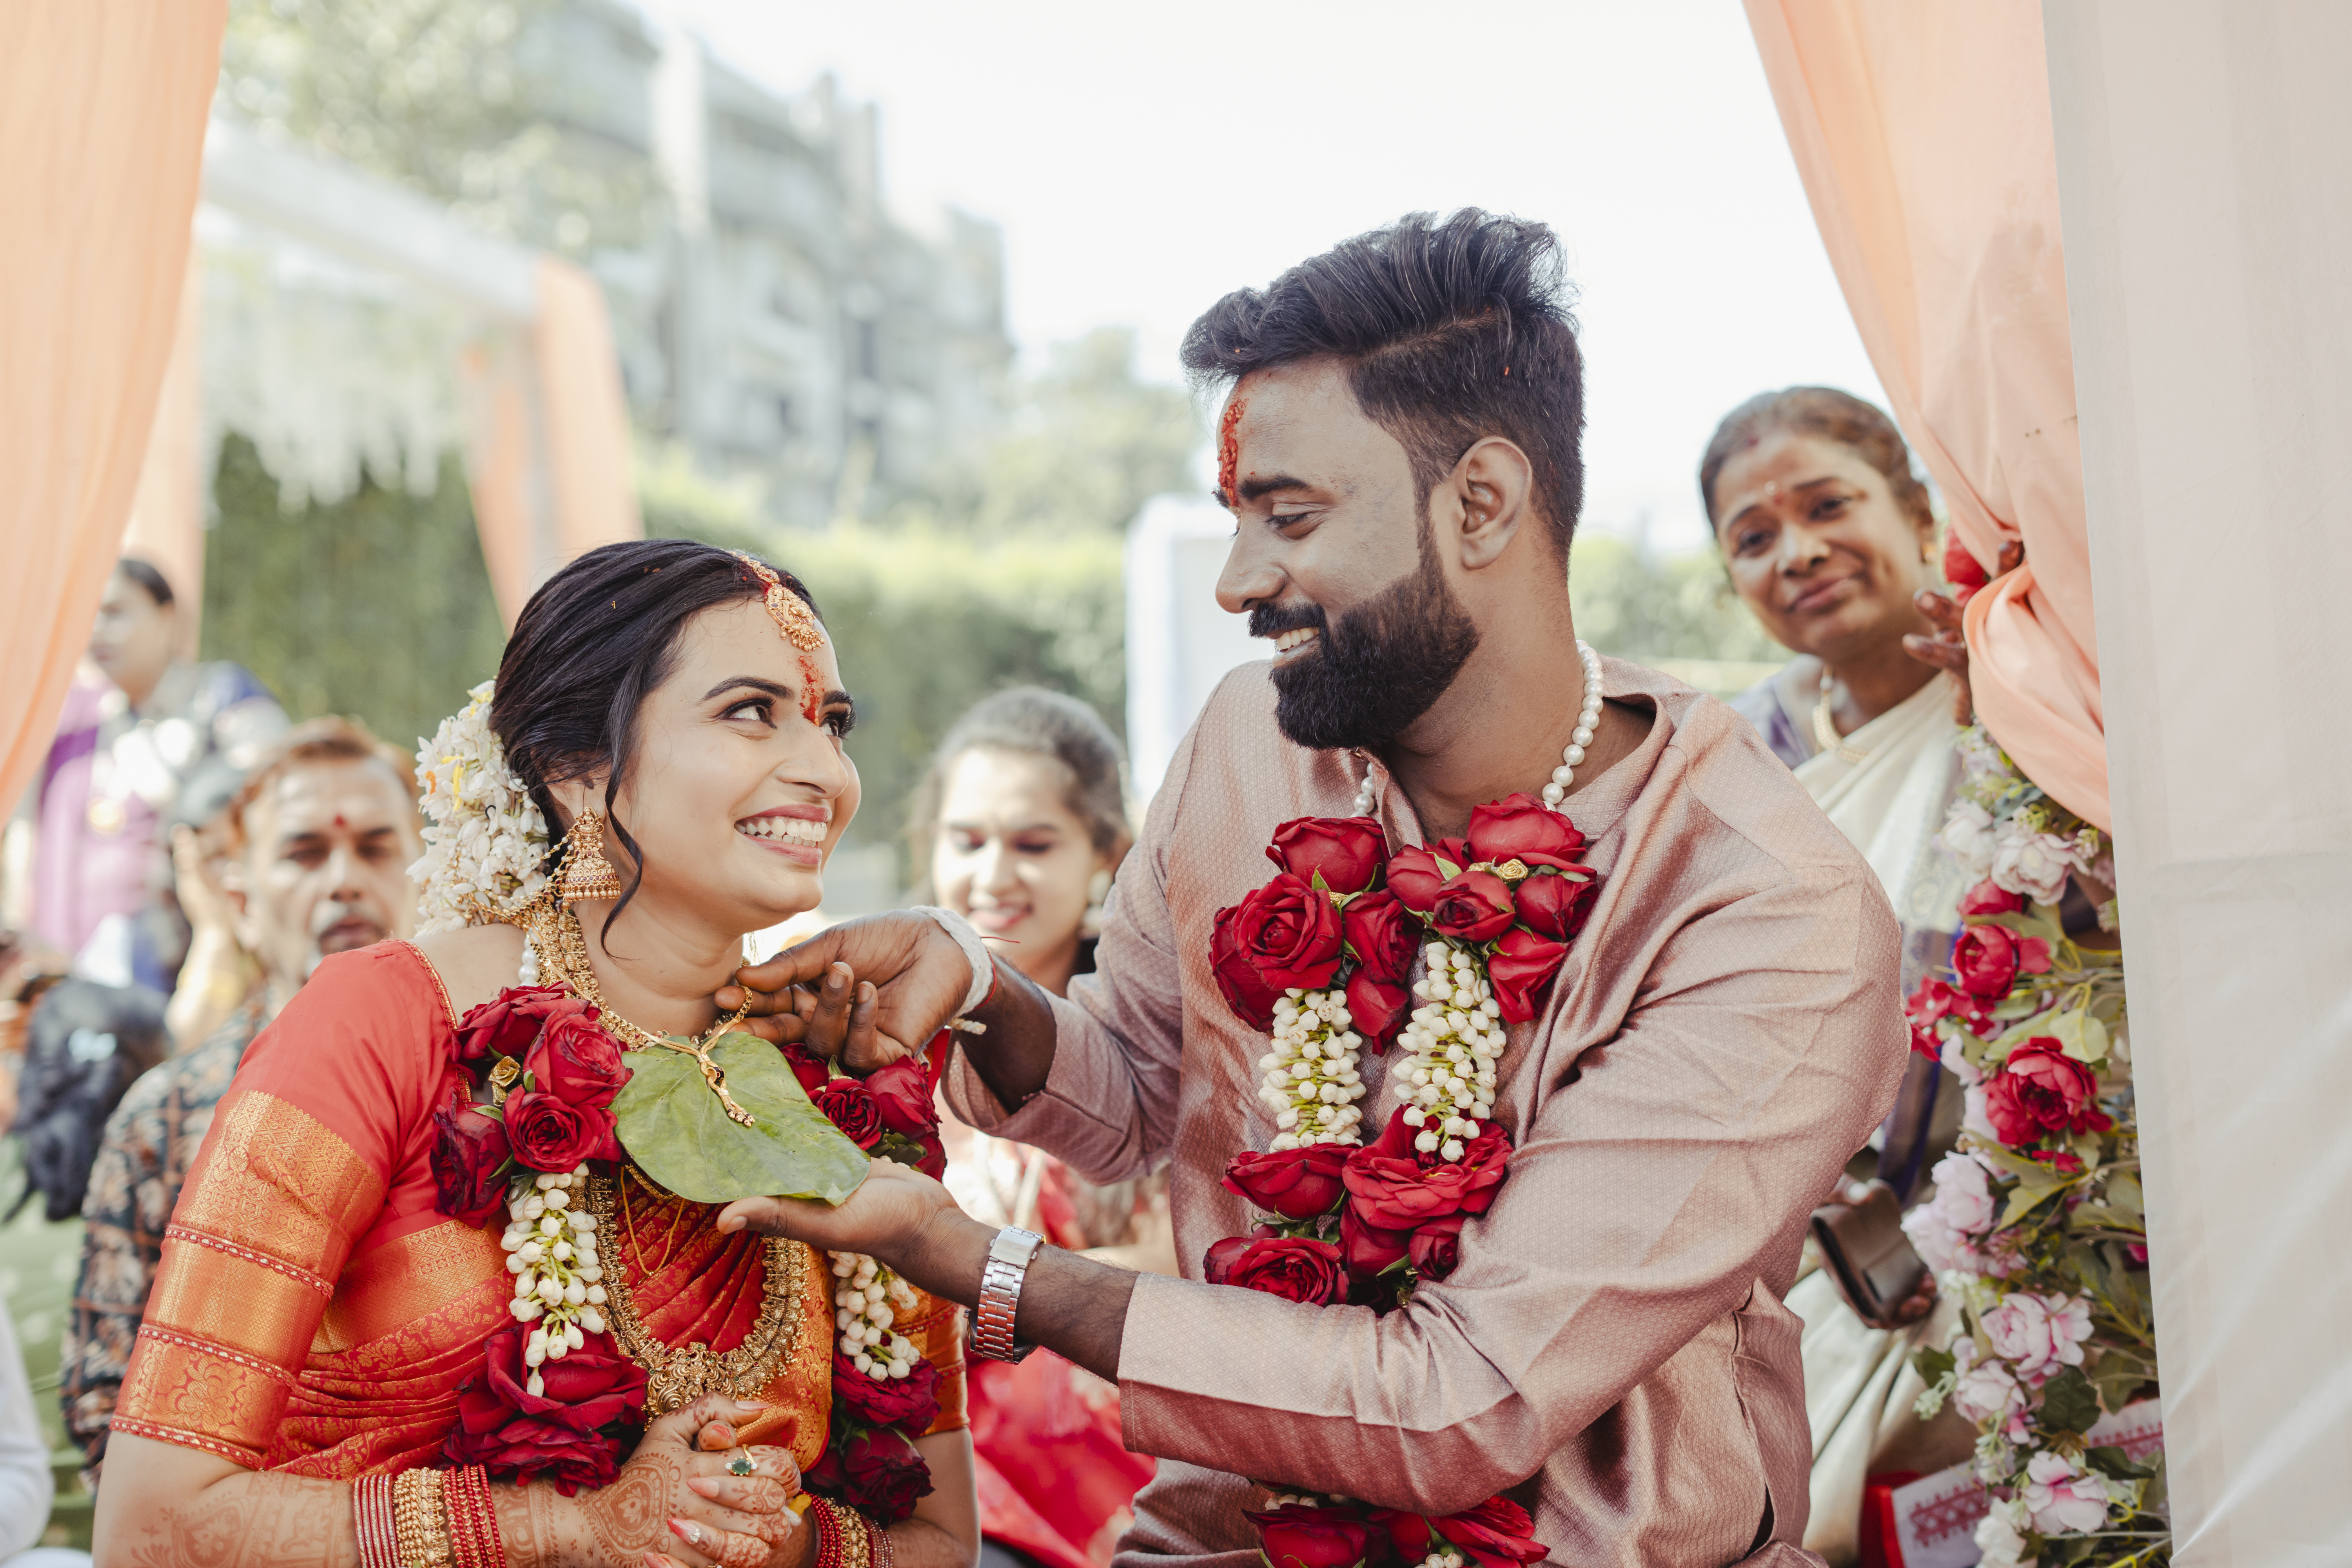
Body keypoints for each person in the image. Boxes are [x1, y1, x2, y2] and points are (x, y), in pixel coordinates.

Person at [717, 212, 1909, 1567]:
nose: (1239, 583)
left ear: (1480, 504)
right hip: (1222, 1538)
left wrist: (986, 1269)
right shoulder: (1252, 741)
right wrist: (980, 990)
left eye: (1289, 518)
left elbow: (1465, 1399)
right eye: (1236, 520)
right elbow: (1141, 1092)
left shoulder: (1765, 910)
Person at [91, 541, 980, 1568]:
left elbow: (942, 1541)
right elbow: (151, 1524)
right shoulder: (382, 1022)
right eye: (751, 711)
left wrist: (760, 1535)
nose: (826, 771)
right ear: (578, 770)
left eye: (834, 724)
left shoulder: (845, 1074)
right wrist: (576, 1528)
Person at [1700, 389, 1979, 1564]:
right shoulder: (1732, 758)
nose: (1798, 552)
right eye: (1754, 536)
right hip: (1818, 1264)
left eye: (1827, 506)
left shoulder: (2030, 699)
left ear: (1914, 510)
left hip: (2032, 1235)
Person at [60, 716, 423, 1479]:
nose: (344, 879)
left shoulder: (499, 1081)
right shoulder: (166, 1117)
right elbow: (104, 1409)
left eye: (376, 847)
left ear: (428, 873)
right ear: (241, 899)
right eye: (304, 852)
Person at [910, 689, 1160, 1568]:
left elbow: (1187, 1266)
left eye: (1033, 845)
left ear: (1106, 855)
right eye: (967, 840)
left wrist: (964, 1287)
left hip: (1100, 1473)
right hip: (914, 1450)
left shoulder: (1156, 1043)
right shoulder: (869, 1036)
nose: (993, 877)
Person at [5, 557, 286, 993]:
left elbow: (279, 782)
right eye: (87, 616)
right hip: (70, 974)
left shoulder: (219, 696)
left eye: (115, 612)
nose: (97, 629)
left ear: (166, 617)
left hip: (194, 967)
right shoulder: (70, 719)